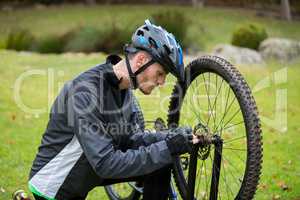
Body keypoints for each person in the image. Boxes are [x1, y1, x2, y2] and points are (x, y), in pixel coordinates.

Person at [28, 19, 199, 200]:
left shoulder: (123, 90)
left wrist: (171, 138)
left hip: (86, 173)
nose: (162, 82)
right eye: (160, 73)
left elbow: (129, 140)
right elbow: (106, 163)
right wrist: (167, 147)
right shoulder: (84, 93)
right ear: (141, 60)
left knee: (161, 160)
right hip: (55, 188)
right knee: (163, 153)